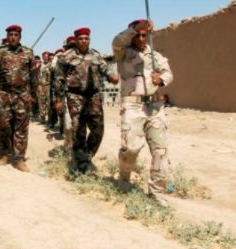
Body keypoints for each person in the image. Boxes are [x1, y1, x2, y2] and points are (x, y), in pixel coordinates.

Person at [112, 19, 173, 206]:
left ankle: (156, 192)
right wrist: (134, 28)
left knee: (160, 151)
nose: (140, 38)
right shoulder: (123, 53)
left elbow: (169, 73)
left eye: (144, 35)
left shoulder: (155, 56)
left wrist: (161, 79)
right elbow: (117, 41)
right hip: (133, 106)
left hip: (154, 108)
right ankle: (124, 175)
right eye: (137, 34)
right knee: (130, 148)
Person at [54, 27, 119, 173]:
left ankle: (87, 155)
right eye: (81, 39)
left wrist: (111, 76)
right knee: (79, 130)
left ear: (89, 40)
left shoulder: (95, 55)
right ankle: (81, 162)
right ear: (76, 40)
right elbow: (58, 80)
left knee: (98, 130)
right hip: (75, 96)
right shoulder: (66, 57)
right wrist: (58, 100)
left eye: (86, 39)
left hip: (94, 97)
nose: (84, 41)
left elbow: (105, 68)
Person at [0, 25, 37, 172]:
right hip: (4, 94)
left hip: (22, 95)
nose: (13, 37)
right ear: (7, 36)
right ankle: (5, 153)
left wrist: (33, 95)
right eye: (10, 35)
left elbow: (34, 75)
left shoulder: (28, 53)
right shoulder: (0, 52)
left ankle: (20, 159)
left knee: (21, 128)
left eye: (16, 35)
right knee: (4, 126)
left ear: (20, 37)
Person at [37, 51, 52, 124]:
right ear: (42, 57)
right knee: (41, 102)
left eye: (47, 56)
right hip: (40, 85)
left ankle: (50, 118)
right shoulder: (40, 65)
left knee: (49, 103)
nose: (46, 58)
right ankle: (42, 118)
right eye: (44, 56)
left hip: (48, 85)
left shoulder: (51, 65)